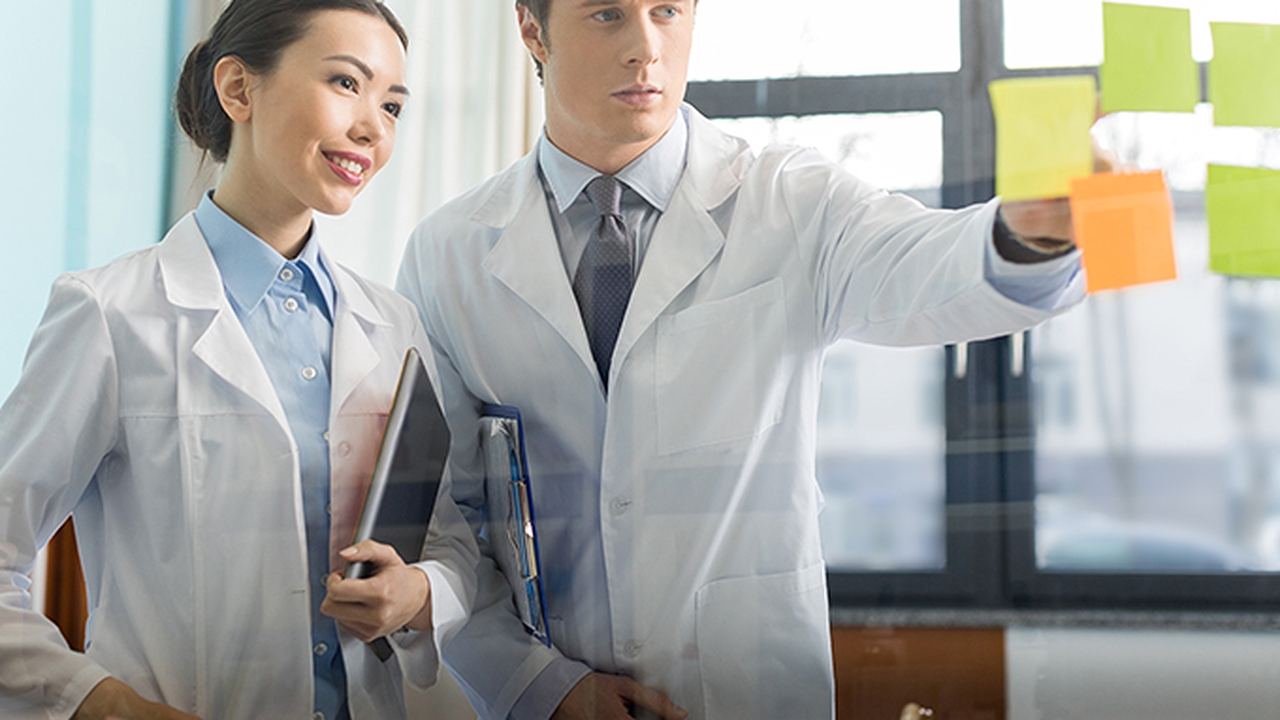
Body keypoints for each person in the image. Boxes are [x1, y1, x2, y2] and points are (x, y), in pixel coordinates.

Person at [396, 1, 1094, 719]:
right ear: (532, 29)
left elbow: (926, 265)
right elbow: (443, 520)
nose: (646, 47)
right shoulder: (448, 253)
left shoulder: (789, 202)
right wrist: (540, 687)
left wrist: (1026, 235)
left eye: (667, 10)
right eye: (607, 14)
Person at [0, 1, 478, 719]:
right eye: (346, 83)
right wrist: (100, 702)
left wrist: (418, 592)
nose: (373, 128)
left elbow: (451, 544)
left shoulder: (392, 324)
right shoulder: (111, 314)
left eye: (392, 105)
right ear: (238, 89)